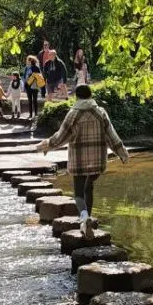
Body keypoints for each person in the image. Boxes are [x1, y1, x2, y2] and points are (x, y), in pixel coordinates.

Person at [37, 84, 129, 236]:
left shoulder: (73, 114)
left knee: (78, 192)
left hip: (78, 160)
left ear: (77, 97)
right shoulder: (101, 113)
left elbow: (60, 137)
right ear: (90, 95)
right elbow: (112, 136)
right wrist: (122, 153)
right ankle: (88, 222)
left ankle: (84, 217)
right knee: (89, 187)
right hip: (98, 160)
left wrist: (47, 145)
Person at [22, 55, 44, 121]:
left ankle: (36, 114)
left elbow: (39, 77)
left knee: (35, 100)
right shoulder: (26, 68)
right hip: (28, 86)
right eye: (27, 61)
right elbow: (24, 77)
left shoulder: (36, 67)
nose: (27, 62)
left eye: (28, 60)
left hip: (34, 86)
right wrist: (24, 85)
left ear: (31, 61)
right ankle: (30, 114)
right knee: (29, 101)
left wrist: (32, 77)